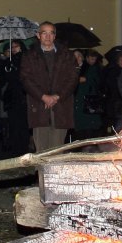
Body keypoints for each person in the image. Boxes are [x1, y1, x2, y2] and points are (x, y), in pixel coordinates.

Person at [20, 22, 79, 152]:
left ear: (55, 35)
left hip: (61, 107)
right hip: (39, 107)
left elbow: (73, 79)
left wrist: (57, 96)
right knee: (41, 151)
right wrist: (43, 97)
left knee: (57, 151)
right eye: (44, 33)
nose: (47, 36)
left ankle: (56, 173)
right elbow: (26, 79)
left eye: (51, 33)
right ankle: (42, 173)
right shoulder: (29, 55)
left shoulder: (66, 55)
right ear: (38, 35)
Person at [0, 39, 30, 156]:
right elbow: (2, 78)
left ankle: (23, 149)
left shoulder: (26, 60)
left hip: (23, 97)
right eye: (12, 47)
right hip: (12, 98)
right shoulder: (7, 62)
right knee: (13, 125)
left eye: (16, 46)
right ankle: (16, 149)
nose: (14, 48)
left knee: (23, 125)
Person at [71, 49, 105, 142]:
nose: (77, 58)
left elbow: (94, 81)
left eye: (78, 56)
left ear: (82, 57)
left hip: (88, 104)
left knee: (89, 133)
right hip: (75, 105)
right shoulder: (69, 69)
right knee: (78, 134)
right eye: (74, 56)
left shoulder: (91, 68)